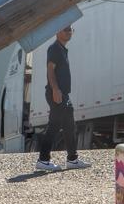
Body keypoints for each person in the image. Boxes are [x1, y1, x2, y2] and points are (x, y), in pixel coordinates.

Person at [34, 24, 89, 172]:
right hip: (56, 93)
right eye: (66, 29)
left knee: (70, 126)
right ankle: (43, 160)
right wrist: (55, 89)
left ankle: (72, 159)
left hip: (64, 94)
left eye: (71, 29)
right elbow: (50, 71)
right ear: (57, 32)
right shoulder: (54, 49)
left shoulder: (63, 49)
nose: (69, 32)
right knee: (54, 126)